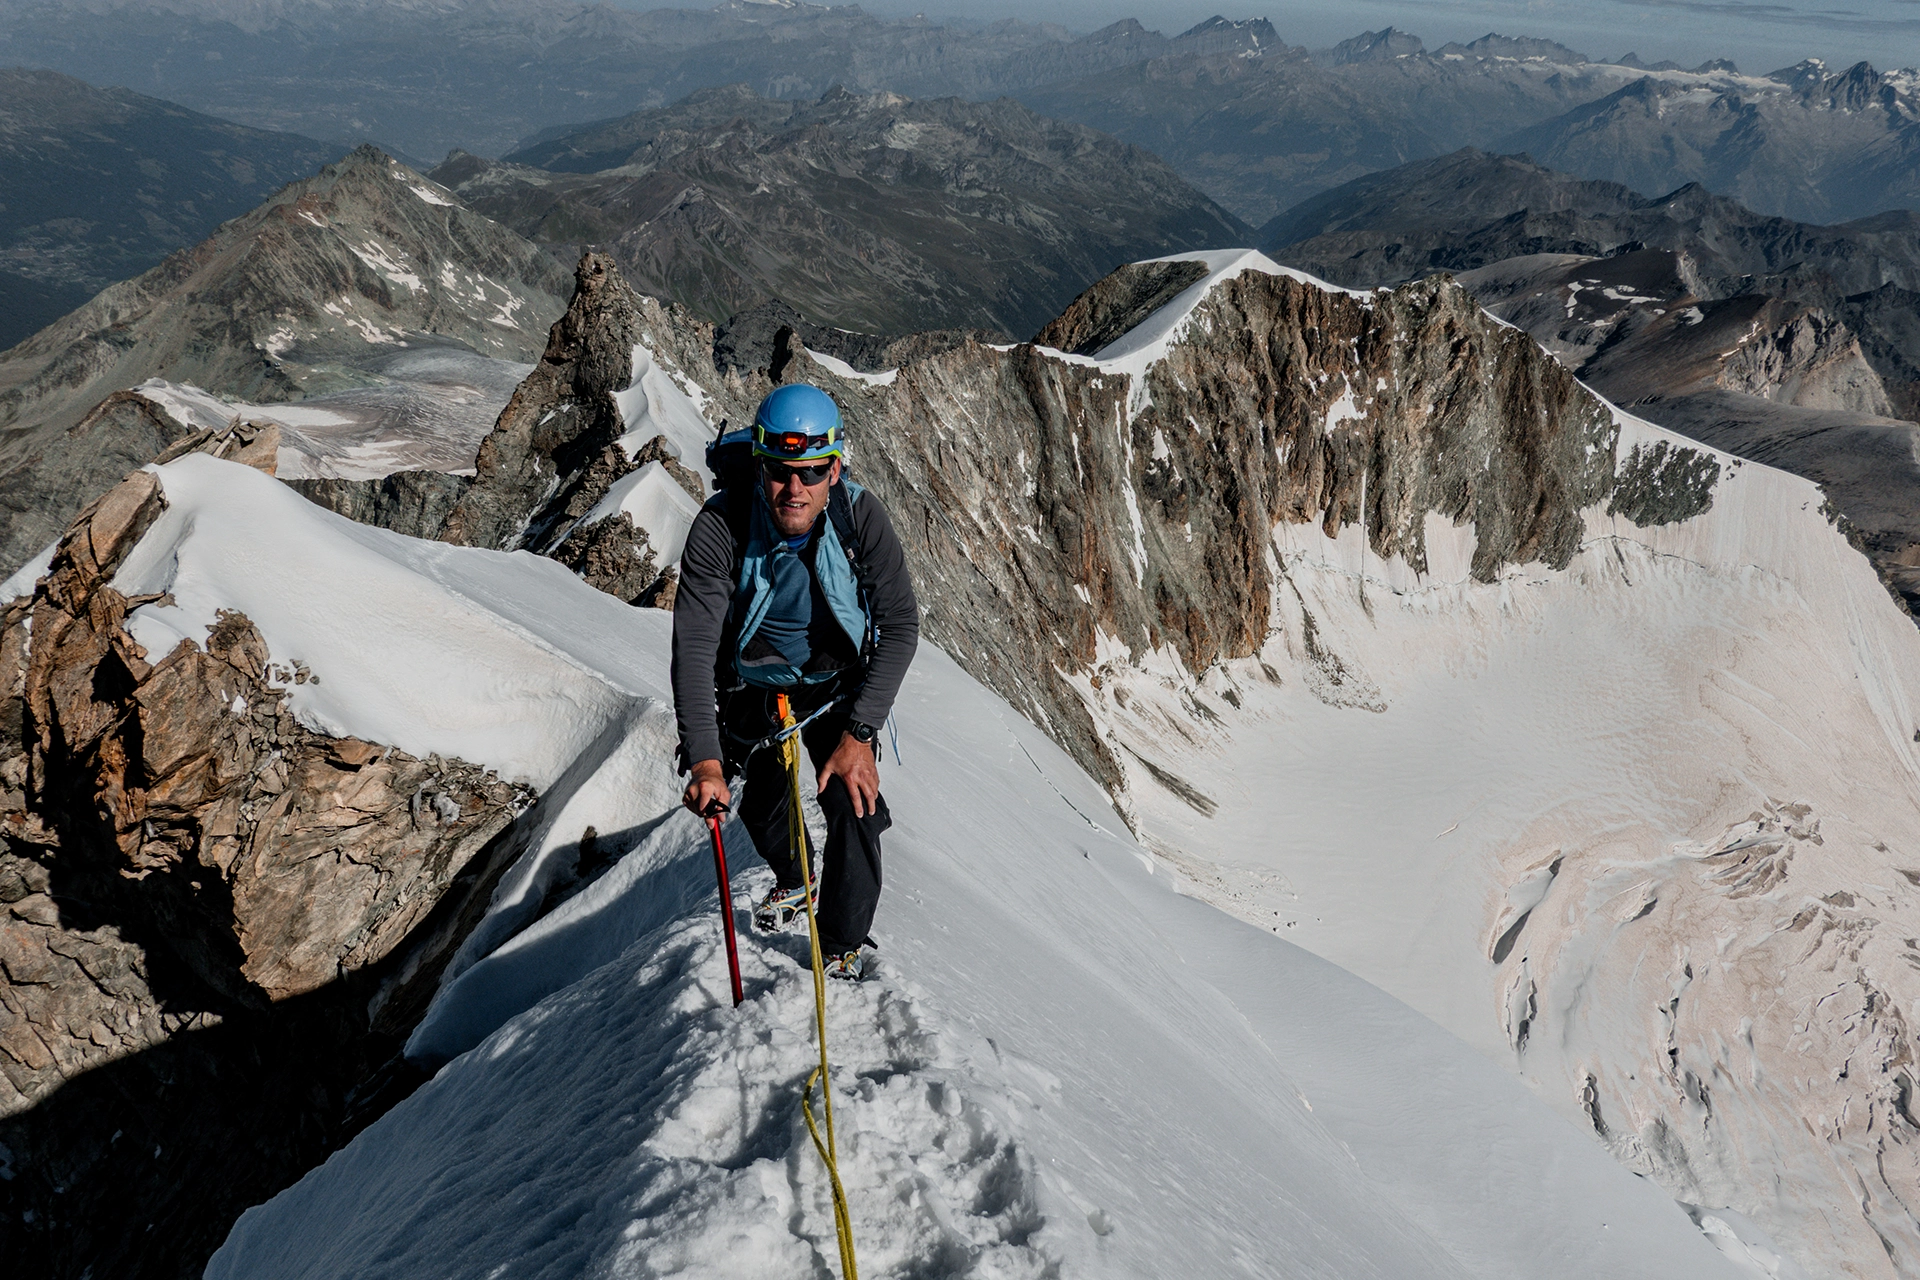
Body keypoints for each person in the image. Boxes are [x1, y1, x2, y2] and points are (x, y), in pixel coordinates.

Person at [673, 383, 919, 981]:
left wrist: (859, 735)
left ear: (834, 470)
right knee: (762, 808)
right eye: (781, 472)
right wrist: (705, 759)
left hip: (834, 687)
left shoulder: (861, 518)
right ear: (760, 466)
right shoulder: (721, 525)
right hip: (750, 684)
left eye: (810, 473)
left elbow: (901, 626)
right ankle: (795, 876)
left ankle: (838, 945)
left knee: (854, 804)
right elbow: (695, 645)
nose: (794, 489)